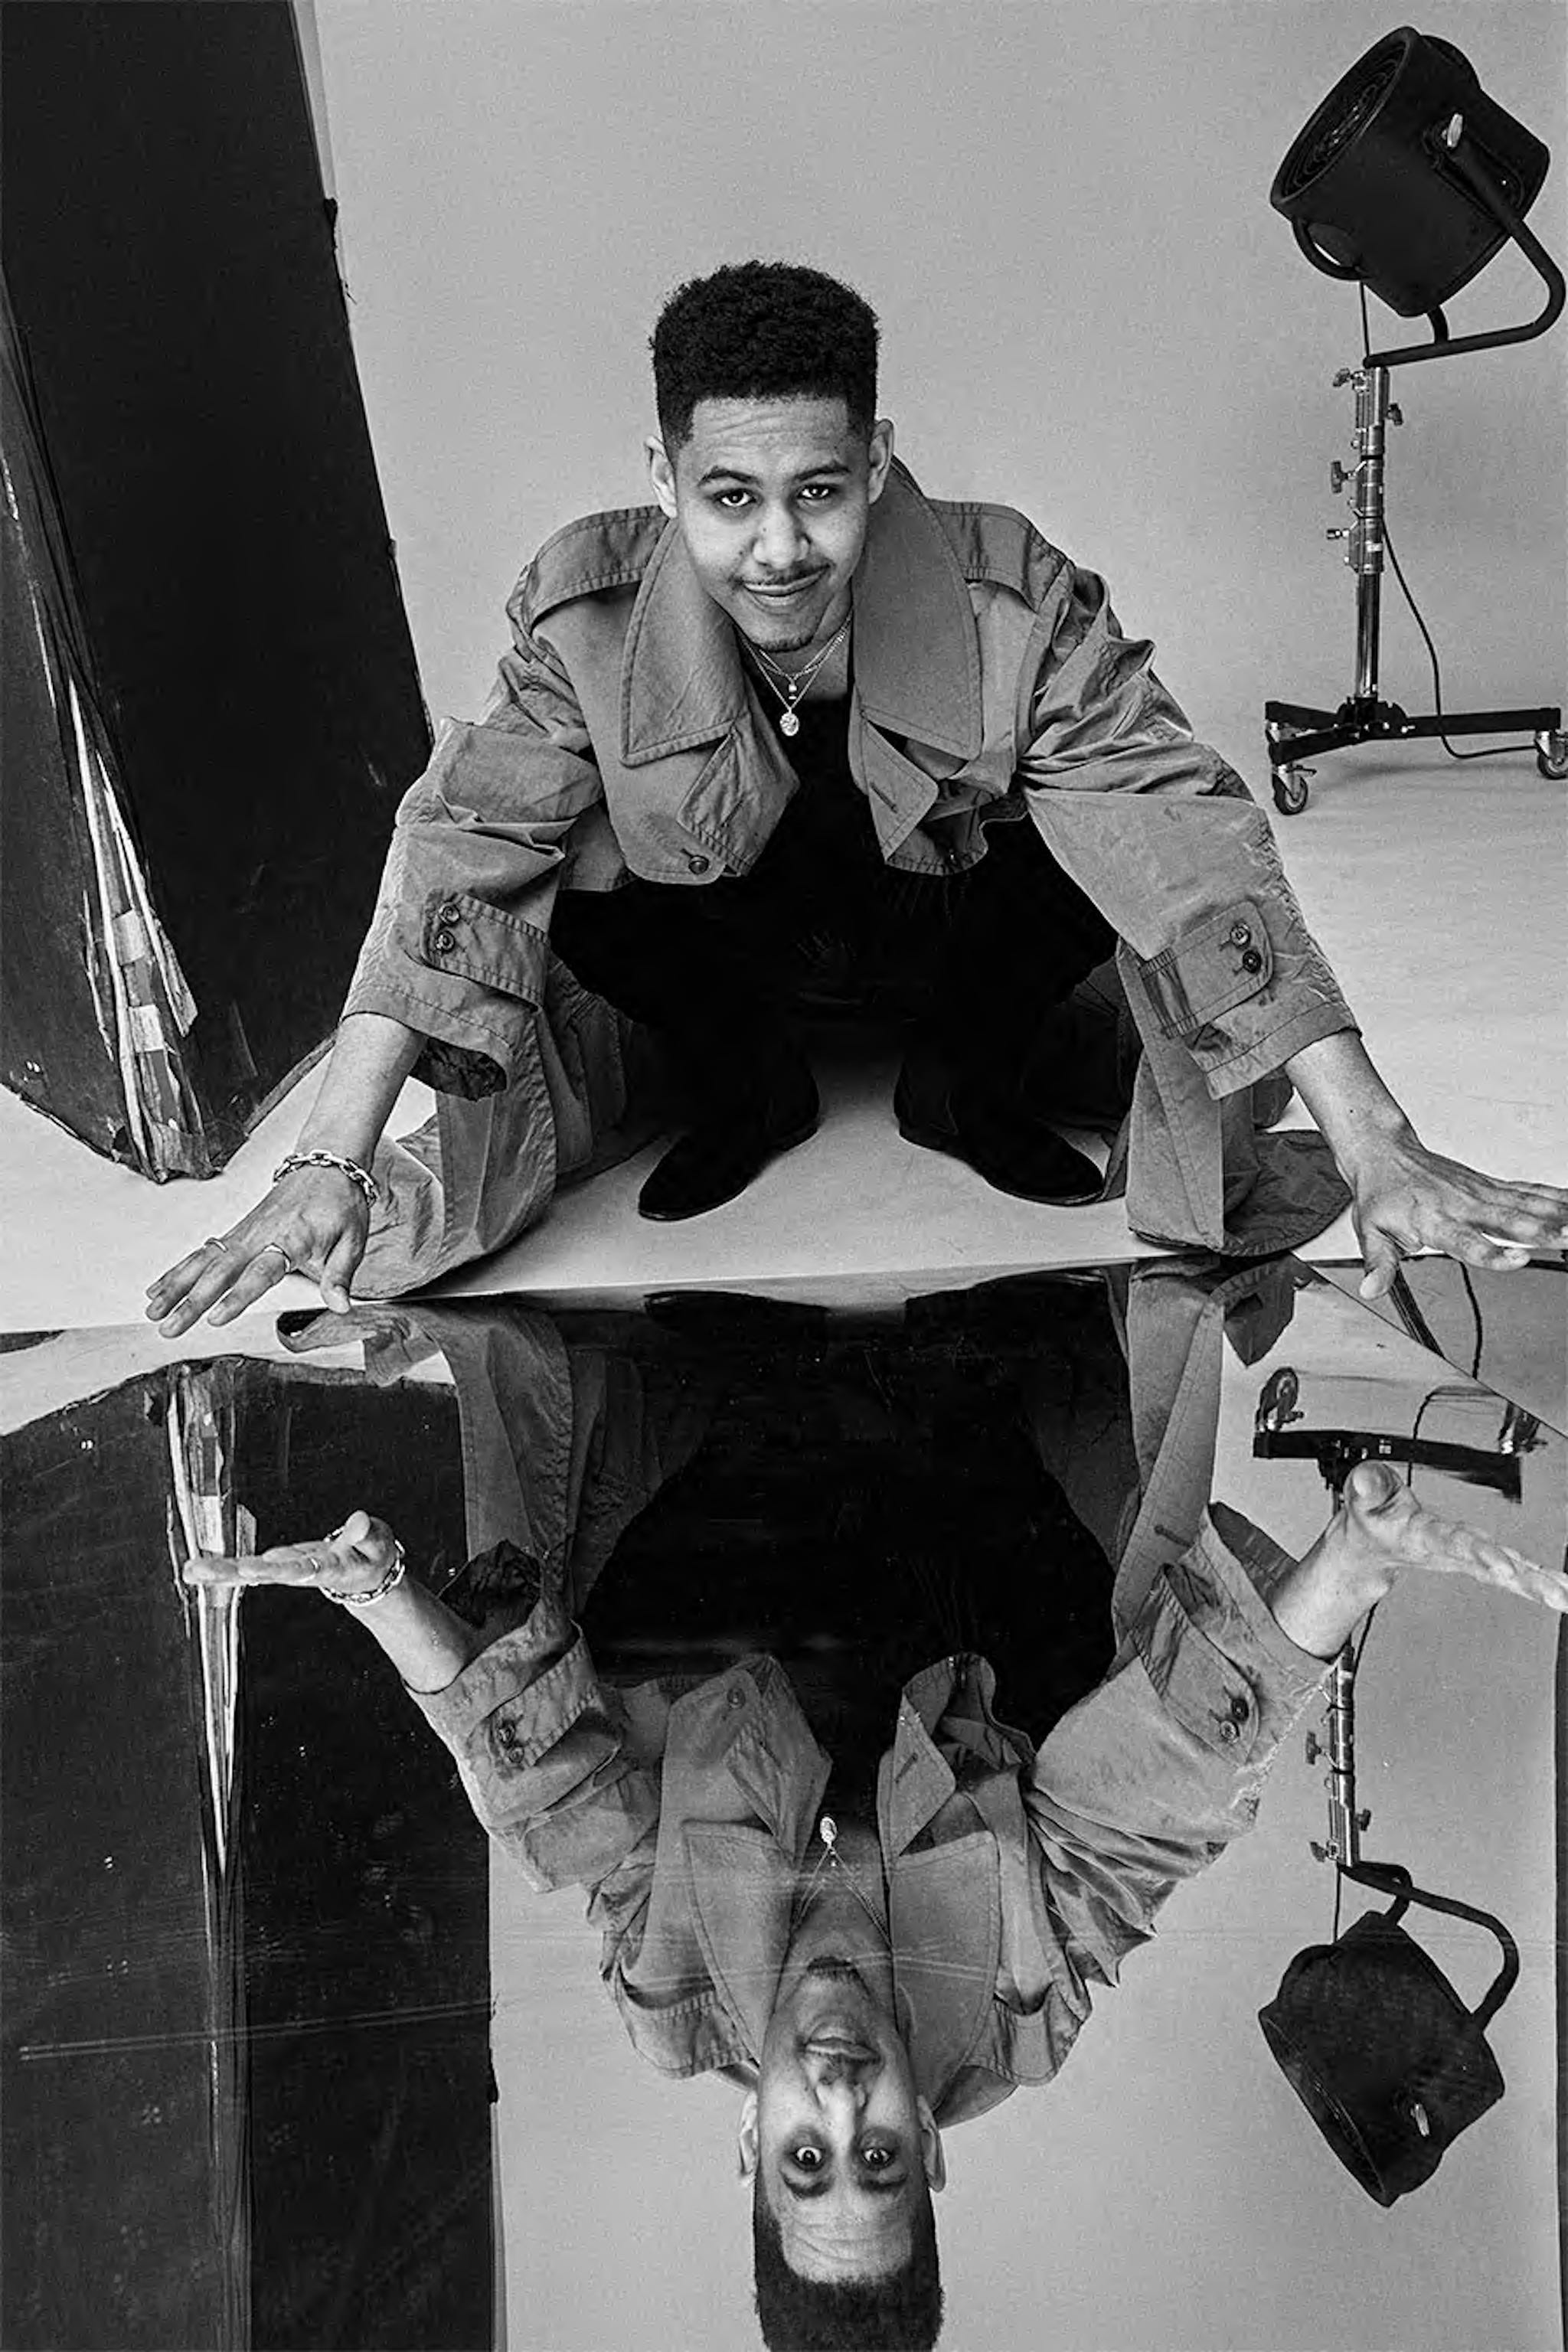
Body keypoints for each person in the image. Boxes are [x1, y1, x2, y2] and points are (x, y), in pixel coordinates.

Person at [146, 262, 1568, 1337]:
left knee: (1100, 829)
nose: (779, 548)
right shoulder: (583, 617)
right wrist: (330, 1152)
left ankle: (966, 1078)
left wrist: (1376, 1138)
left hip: (954, 943)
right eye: (730, 499)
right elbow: (454, 858)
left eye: (821, 493)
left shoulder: (1013, 596)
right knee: (545, 837)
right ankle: (743, 1083)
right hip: (720, 956)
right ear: (664, 481)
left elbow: (1182, 833)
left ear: (879, 463)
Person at [185, 1275, 1568, 2350]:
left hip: (738, 1457)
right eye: (882, 2158)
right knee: (1137, 1646)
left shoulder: (678, 2005)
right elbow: (1156, 1810)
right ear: (934, 2161)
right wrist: (1346, 1569)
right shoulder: (1019, 2020)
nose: (842, 2101)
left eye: (804, 2157)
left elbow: (542, 1783)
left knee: (536, 1602)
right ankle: (1133, 1300)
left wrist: (383, 1600)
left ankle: (556, 1337)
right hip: (967, 1461)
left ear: (746, 2149)